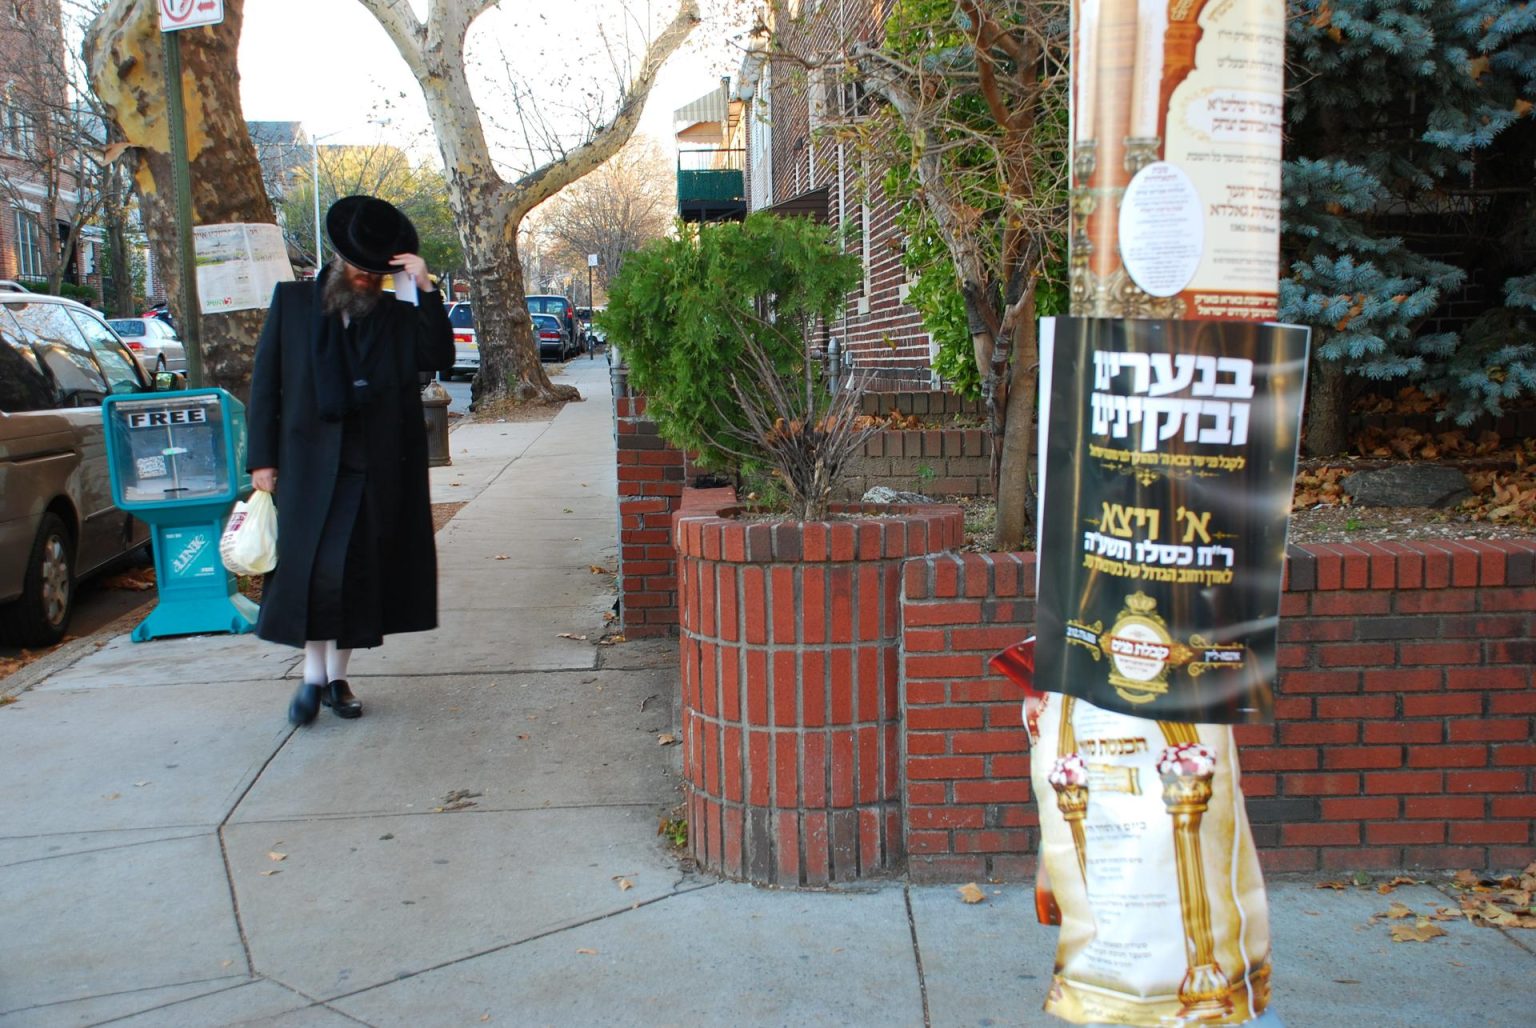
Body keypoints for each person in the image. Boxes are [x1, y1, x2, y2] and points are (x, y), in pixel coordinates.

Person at [247, 195, 455, 726]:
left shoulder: (394, 310)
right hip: (306, 466)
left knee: (358, 577)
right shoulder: (292, 303)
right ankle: (313, 678)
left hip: (375, 467)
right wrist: (261, 461)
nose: (366, 280)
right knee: (312, 575)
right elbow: (266, 386)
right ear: (339, 262)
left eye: (375, 273)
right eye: (360, 270)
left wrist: (424, 287)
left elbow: (436, 357)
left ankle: (334, 679)